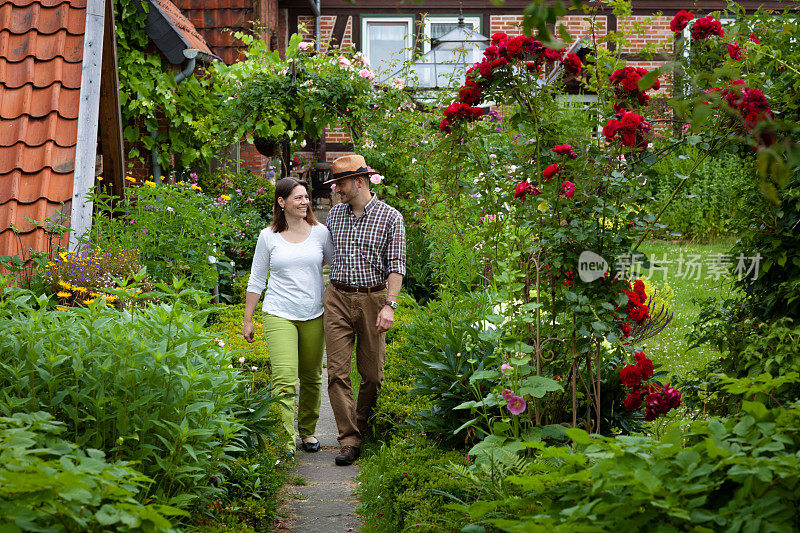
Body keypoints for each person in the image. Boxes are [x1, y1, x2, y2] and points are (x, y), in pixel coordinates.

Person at [323, 154, 406, 466]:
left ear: (359, 182)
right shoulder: (334, 216)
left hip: (373, 299)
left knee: (371, 374)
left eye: (341, 184)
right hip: (337, 297)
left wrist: (390, 305)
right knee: (337, 373)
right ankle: (349, 440)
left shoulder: (390, 218)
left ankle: (361, 423)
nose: (337, 190)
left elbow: (397, 266)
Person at [243, 177, 333, 456]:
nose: (305, 202)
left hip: (313, 314)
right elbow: (257, 279)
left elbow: (336, 267)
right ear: (281, 202)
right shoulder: (267, 236)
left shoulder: (320, 233)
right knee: (284, 377)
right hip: (278, 313)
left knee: (311, 376)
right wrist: (248, 319)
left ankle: (307, 432)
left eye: (306, 197)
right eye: (298, 198)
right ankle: (285, 438)